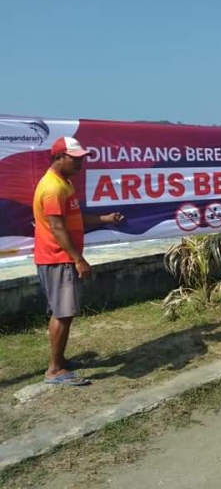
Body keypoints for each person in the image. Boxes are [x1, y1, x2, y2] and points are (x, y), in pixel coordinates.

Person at [33, 136, 124, 386]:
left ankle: (60, 362)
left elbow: (74, 216)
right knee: (63, 314)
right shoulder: (52, 188)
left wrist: (104, 219)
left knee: (65, 313)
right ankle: (54, 371)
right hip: (58, 258)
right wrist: (78, 259)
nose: (80, 164)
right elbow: (58, 228)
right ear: (58, 158)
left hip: (59, 258)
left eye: (82, 159)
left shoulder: (65, 183)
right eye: (75, 159)